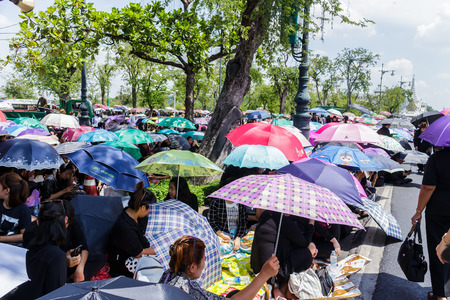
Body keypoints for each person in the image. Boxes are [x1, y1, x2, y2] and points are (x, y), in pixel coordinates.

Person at [160, 236, 280, 300]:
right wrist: (264, 275)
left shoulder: (168, 274)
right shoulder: (190, 290)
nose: (204, 263)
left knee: (232, 293)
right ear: (192, 267)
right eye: (203, 260)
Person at [411, 147, 450, 300]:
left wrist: (419, 210)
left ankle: (440, 295)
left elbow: (428, 187)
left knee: (439, 249)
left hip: (439, 210)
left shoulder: (437, 158)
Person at [251, 210, 316, 298]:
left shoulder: (266, 214)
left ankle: (283, 287)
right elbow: (304, 242)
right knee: (309, 252)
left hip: (258, 268)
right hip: (270, 273)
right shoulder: (282, 219)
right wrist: (311, 222)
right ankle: (285, 289)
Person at [23, 200, 90, 283]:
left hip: (66, 263)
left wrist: (79, 269)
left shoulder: (72, 224)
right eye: (63, 225)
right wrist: (63, 262)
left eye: (67, 224)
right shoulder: (33, 233)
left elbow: (84, 247)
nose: (64, 228)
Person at [11, 201, 67, 299]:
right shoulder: (57, 256)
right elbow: (55, 295)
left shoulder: (29, 240)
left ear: (38, 222)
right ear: (65, 222)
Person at [108, 181, 157, 278]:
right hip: (123, 268)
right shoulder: (124, 226)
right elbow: (138, 253)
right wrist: (159, 250)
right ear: (143, 207)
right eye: (149, 209)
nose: (150, 212)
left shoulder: (139, 217)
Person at [0, 172, 31, 244]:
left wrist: (1, 238)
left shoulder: (24, 210)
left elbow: (24, 235)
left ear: (7, 190)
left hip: (10, 248)